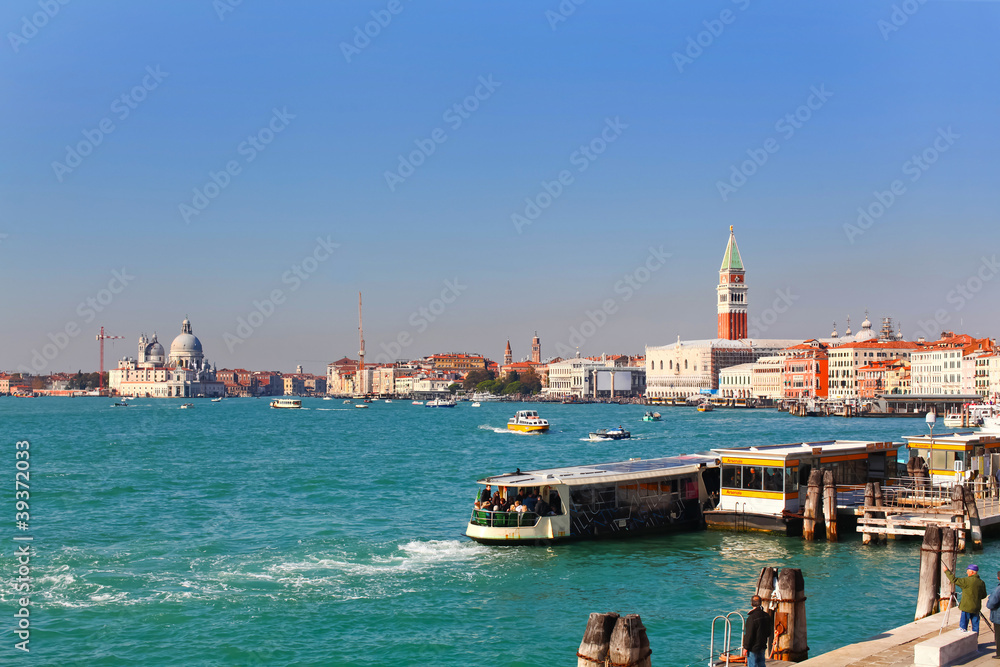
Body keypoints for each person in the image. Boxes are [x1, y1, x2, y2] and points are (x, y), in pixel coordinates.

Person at [945, 564, 988, 633]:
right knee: (975, 627)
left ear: (972, 572)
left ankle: (963, 634)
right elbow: (984, 595)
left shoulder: (966, 581)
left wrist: (946, 571)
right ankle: (975, 638)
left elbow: (954, 580)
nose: (966, 572)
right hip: (976, 608)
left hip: (966, 607)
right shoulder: (981, 582)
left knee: (963, 628)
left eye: (967, 570)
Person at [742, 595, 772, 667]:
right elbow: (768, 632)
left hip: (753, 648)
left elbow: (749, 635)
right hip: (762, 645)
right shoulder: (766, 615)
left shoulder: (751, 618)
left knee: (753, 664)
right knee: (761, 664)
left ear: (752, 604)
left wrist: (746, 647)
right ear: (760, 603)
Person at [986, 570, 1000, 659]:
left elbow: (991, 603)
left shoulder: (998, 590)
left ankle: (999, 654)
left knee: (998, 636)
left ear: (998, 578)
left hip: (998, 617)